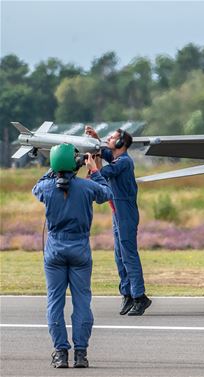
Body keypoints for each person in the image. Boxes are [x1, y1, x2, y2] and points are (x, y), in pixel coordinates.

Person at [33, 144, 113, 368]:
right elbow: (107, 193)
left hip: (55, 248)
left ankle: (60, 353)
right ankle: (80, 354)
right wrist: (94, 171)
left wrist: (55, 168)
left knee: (54, 302)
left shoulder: (46, 188)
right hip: (79, 247)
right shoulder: (87, 187)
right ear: (74, 163)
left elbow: (36, 186)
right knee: (82, 302)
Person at [84, 126, 152, 316]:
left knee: (128, 254)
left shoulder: (124, 162)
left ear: (121, 143)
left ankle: (140, 297)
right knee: (119, 256)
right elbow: (102, 153)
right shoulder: (116, 157)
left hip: (126, 211)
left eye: (112, 138)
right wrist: (95, 139)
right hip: (117, 211)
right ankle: (127, 294)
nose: (108, 140)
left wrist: (92, 167)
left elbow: (100, 174)